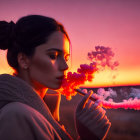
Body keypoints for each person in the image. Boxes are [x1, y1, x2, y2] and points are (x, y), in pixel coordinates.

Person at [0, 15, 111, 140]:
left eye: (66, 58)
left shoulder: (43, 111)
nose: (65, 66)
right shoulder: (16, 116)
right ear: (23, 60)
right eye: (53, 56)